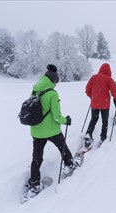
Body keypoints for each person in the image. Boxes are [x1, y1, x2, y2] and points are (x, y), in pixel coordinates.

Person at [27, 64, 76, 194]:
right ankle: (70, 165)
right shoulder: (52, 94)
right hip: (51, 130)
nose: (56, 85)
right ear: (54, 81)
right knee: (63, 148)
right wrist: (66, 120)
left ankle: (34, 183)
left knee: (36, 158)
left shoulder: (35, 90)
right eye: (56, 82)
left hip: (36, 130)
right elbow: (57, 116)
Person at [84, 63, 116, 147]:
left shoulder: (94, 77)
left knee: (93, 119)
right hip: (105, 104)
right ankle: (103, 137)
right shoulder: (109, 79)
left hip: (95, 103)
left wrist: (92, 97)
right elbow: (115, 91)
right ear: (109, 70)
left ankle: (88, 134)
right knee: (105, 121)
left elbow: (87, 89)